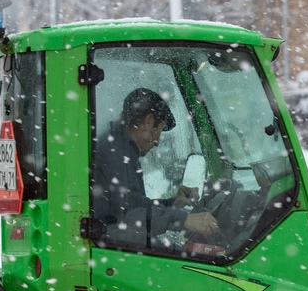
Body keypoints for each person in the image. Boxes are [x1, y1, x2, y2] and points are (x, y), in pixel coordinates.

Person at [91, 88, 219, 247]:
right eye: (158, 130)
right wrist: (184, 219)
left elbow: (135, 204)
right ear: (148, 122)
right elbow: (129, 216)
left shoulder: (121, 147)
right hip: (111, 248)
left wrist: (171, 203)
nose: (157, 141)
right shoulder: (115, 153)